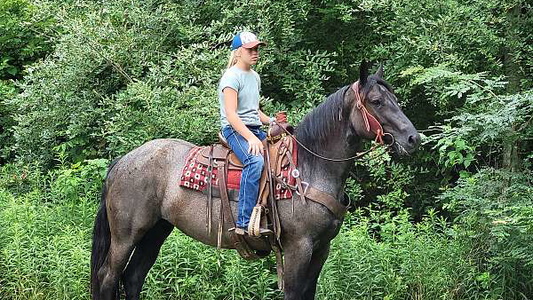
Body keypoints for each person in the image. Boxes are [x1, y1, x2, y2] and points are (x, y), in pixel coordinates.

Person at [218, 31, 273, 235]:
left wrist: (274, 121)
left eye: (257, 49)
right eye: (250, 49)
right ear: (238, 52)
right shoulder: (231, 77)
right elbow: (232, 115)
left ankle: (269, 211)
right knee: (255, 161)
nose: (255, 53)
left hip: (254, 128)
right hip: (235, 130)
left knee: (279, 157)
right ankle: (244, 221)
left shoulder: (254, 76)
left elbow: (254, 112)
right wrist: (250, 138)